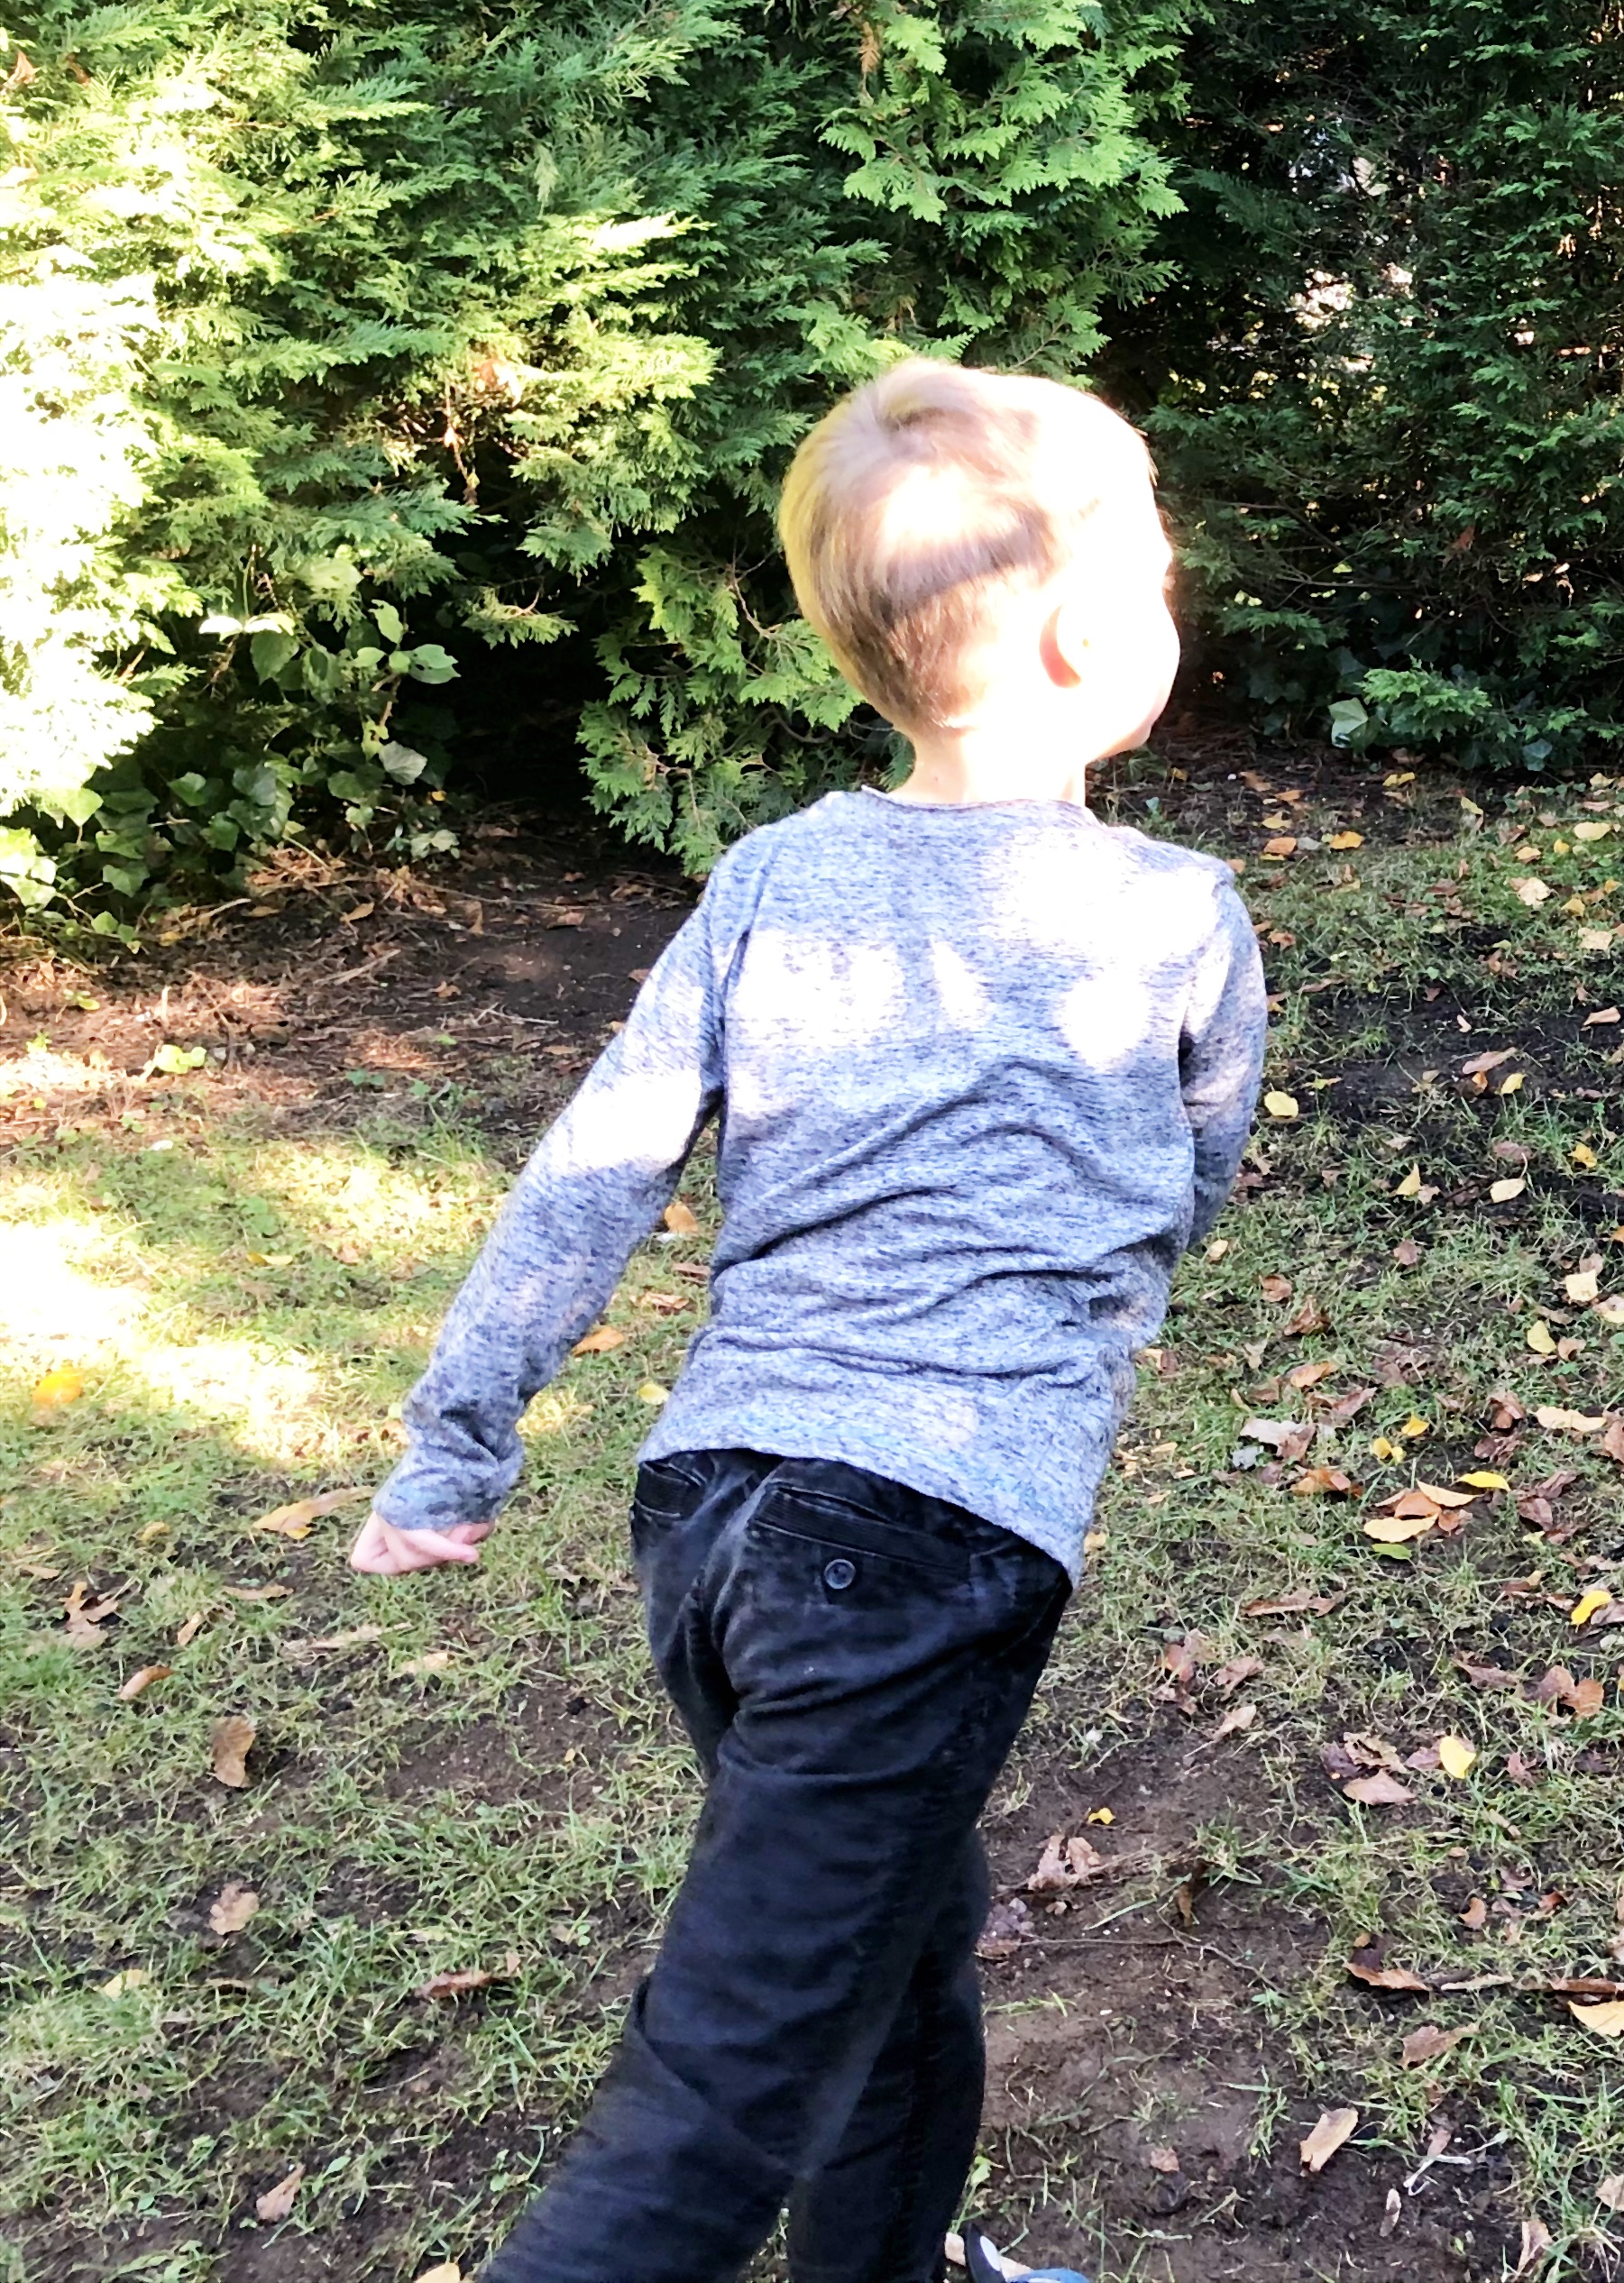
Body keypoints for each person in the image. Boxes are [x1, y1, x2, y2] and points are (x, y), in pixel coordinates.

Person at [351, 361, 1266, 2283]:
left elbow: (596, 1163)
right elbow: (1197, 1177)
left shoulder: (774, 875)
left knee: (893, 1944)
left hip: (712, 1526)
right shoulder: (1180, 912)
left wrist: (460, 1435)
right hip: (920, 1559)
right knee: (714, 2100)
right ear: (1099, 635)